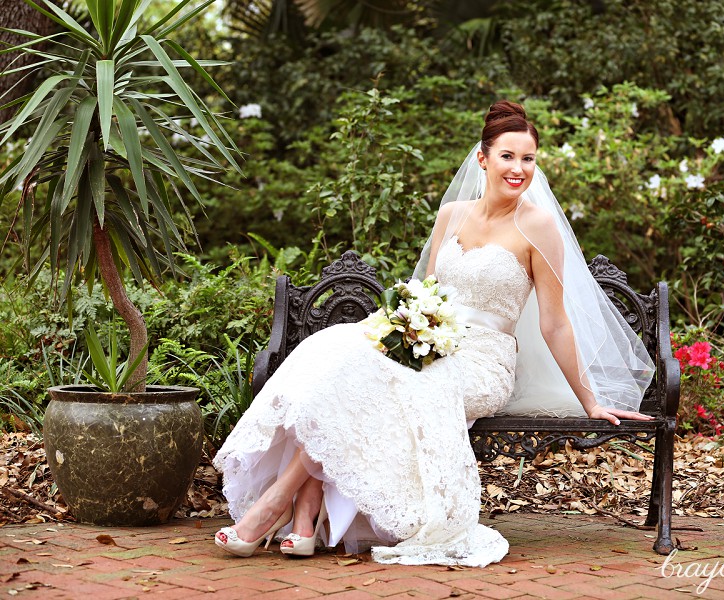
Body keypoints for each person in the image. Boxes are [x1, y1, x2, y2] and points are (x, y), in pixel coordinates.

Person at [212, 101, 655, 567]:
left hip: (482, 363)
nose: (519, 168)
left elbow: (555, 321)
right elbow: (424, 291)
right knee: (335, 353)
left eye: (528, 158)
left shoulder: (539, 227)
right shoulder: (452, 214)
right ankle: (303, 521)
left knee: (381, 384)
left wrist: (589, 400)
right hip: (424, 343)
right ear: (483, 158)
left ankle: (275, 506)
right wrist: (400, 326)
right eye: (507, 156)